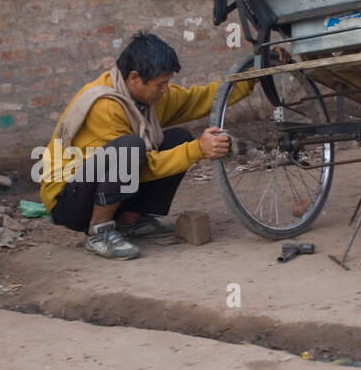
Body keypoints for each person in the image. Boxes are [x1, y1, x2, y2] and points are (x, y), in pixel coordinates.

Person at [38, 32, 253, 259]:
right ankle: (98, 232)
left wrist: (254, 76)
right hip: (69, 202)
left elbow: (199, 98)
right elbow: (143, 166)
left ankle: (131, 221)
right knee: (131, 148)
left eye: (167, 82)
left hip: (101, 186)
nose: (166, 90)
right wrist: (198, 150)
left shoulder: (146, 97)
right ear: (134, 78)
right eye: (161, 84)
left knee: (179, 138)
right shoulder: (105, 106)